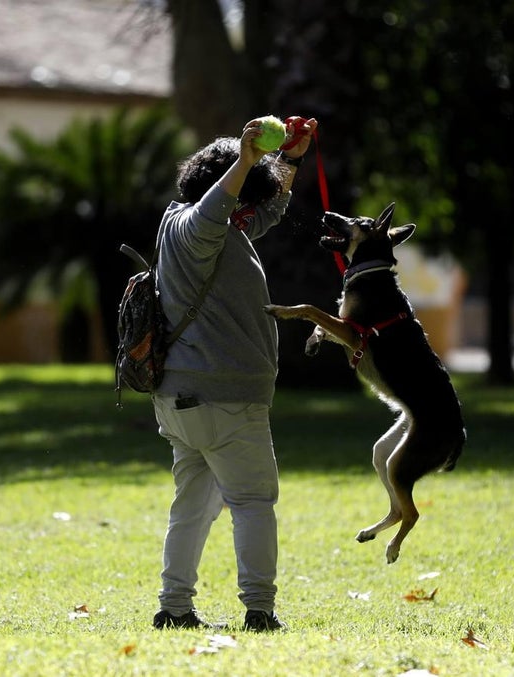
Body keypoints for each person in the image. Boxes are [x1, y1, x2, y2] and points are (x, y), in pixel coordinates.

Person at [150, 116, 317, 632]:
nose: (249, 209)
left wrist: (286, 160)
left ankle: (174, 608)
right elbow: (219, 208)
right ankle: (260, 611)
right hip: (225, 399)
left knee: (193, 506)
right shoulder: (197, 229)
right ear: (226, 187)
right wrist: (247, 160)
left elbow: (263, 211)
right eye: (243, 191)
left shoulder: (197, 225)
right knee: (252, 501)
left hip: (181, 397)